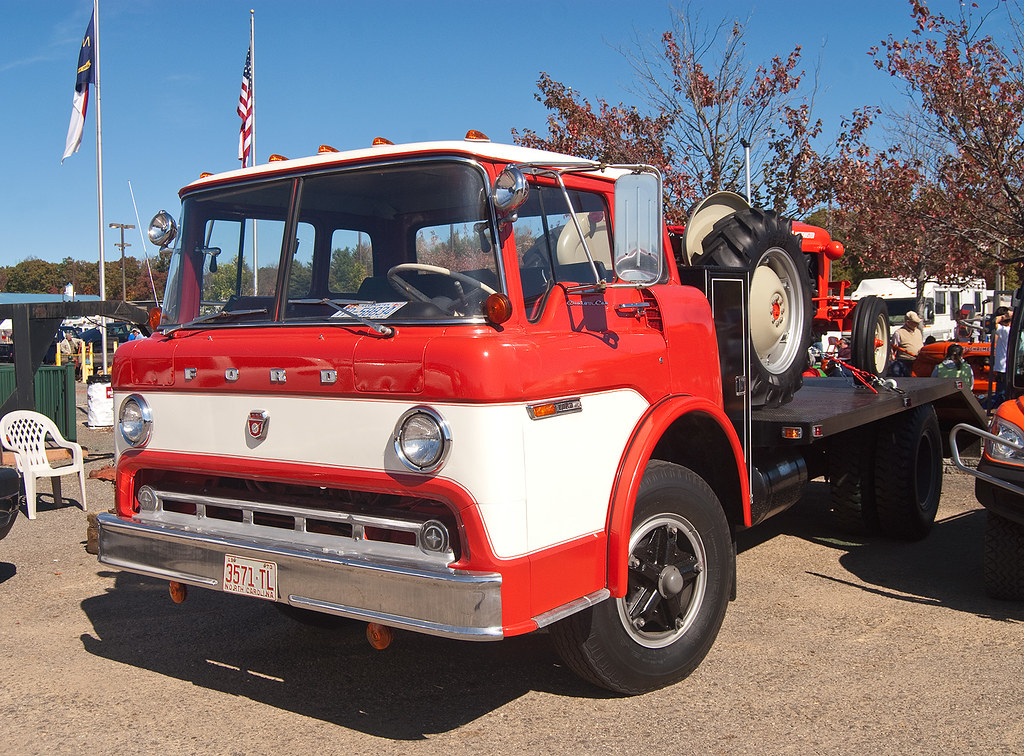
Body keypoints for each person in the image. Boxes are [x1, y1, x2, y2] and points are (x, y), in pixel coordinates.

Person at [890, 311, 924, 377]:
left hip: (918, 361)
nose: (917, 325)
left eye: (917, 323)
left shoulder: (918, 331)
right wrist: (892, 356)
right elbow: (893, 348)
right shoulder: (898, 333)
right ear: (908, 322)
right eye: (915, 323)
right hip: (904, 362)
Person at [991, 306, 1013, 400]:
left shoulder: (1005, 331)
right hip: (1007, 366)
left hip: (1003, 367)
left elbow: (994, 321)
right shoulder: (1011, 331)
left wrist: (1003, 317)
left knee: (1001, 392)